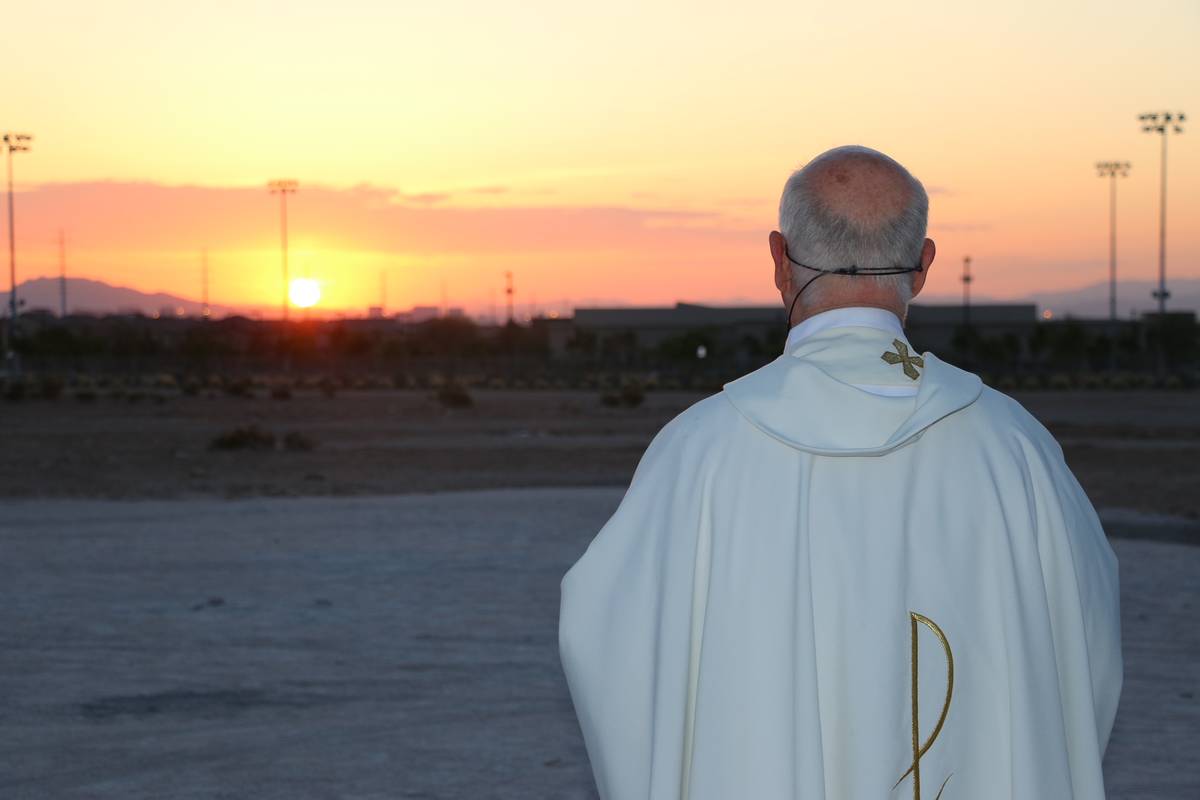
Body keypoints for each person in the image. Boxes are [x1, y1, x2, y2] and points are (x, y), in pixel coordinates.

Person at [558, 145, 1122, 799]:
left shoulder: (699, 450)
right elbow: (1086, 644)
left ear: (778, 259)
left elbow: (607, 638)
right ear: (926, 264)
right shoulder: (1013, 446)